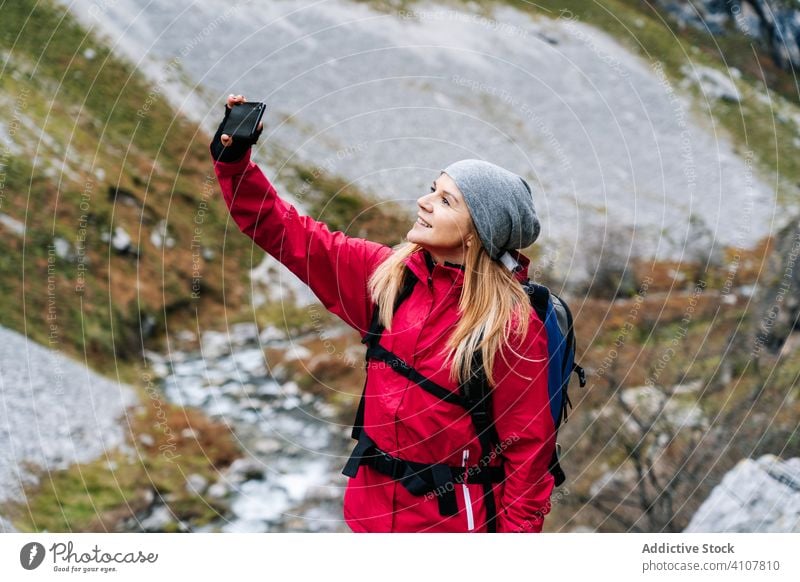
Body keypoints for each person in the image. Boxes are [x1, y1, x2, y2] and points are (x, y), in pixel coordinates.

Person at [210, 94, 556, 533]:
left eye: (446, 201)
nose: (424, 201)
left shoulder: (510, 328)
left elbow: (528, 454)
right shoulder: (387, 277)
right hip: (367, 515)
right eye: (433, 189)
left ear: (477, 234)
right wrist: (234, 162)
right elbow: (283, 230)